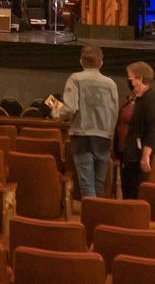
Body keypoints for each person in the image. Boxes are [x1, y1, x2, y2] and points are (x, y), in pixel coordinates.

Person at [47, 45, 118, 198]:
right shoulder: (111, 84)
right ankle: (98, 211)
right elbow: (114, 112)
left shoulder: (75, 79)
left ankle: (90, 212)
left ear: (81, 61)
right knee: (99, 185)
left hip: (82, 137)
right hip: (104, 138)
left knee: (87, 185)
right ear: (101, 63)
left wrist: (54, 109)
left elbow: (70, 108)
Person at [119, 61, 155, 199]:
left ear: (139, 79)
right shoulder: (138, 98)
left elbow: (153, 129)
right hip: (130, 154)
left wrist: (145, 155)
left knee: (135, 192)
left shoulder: (150, 101)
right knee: (127, 190)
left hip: (139, 156)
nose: (129, 81)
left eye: (130, 77)